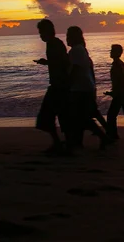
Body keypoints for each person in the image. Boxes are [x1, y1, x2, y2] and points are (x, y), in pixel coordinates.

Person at [66, 26, 110, 150]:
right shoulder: (82, 50)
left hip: (80, 88)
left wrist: (68, 84)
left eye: (68, 35)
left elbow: (75, 69)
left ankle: (103, 137)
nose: (66, 38)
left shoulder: (76, 51)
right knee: (81, 116)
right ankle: (79, 142)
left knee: (81, 117)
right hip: (85, 87)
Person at [34, 19, 73, 154]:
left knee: (47, 115)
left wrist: (47, 62)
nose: (40, 36)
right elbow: (61, 62)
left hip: (59, 85)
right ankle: (65, 144)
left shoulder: (53, 44)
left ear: (47, 31)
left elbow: (61, 63)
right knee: (62, 115)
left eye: (41, 32)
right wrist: (48, 63)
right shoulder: (55, 43)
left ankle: (60, 144)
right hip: (60, 84)